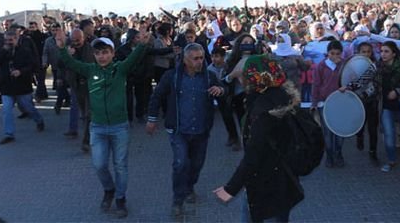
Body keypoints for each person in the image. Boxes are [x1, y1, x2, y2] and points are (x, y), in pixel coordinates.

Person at [56, 30, 150, 218]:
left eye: (106, 52)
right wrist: (62, 49)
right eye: (98, 53)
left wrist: (143, 44)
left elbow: (135, 57)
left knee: (120, 165)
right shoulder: (90, 70)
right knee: (99, 165)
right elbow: (71, 63)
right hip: (97, 127)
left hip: (119, 127)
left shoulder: (121, 69)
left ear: (113, 53)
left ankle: (120, 199)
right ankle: (109, 189)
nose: (102, 56)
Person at [214, 55, 304, 222]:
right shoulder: (281, 94)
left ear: (257, 76)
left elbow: (254, 155)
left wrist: (230, 189)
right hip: (282, 176)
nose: (241, 80)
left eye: (244, 76)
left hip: (268, 181)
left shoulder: (264, 109)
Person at [146, 43, 225, 219]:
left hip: (201, 131)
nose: (200, 62)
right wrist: (151, 119)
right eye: (195, 58)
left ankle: (189, 187)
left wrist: (220, 90)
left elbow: (223, 89)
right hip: (178, 130)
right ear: (185, 60)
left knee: (196, 164)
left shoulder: (209, 76)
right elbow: (157, 96)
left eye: (202, 58)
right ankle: (178, 200)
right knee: (181, 163)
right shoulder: (172, 77)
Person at [310, 40, 344, 167]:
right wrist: (314, 102)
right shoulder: (321, 66)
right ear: (328, 53)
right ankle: (329, 155)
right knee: (328, 131)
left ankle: (338, 152)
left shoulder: (344, 64)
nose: (335, 56)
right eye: (332, 53)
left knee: (340, 130)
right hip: (324, 103)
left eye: (337, 53)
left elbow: (349, 80)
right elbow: (316, 85)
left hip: (340, 102)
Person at [62, 28, 95, 152]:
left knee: (89, 114)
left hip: (90, 85)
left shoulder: (91, 50)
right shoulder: (69, 49)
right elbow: (60, 64)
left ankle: (86, 140)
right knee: (83, 113)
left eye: (78, 40)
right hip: (76, 85)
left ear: (83, 38)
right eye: (73, 40)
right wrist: (67, 55)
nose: (76, 42)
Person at [377, 41, 400, 172]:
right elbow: (364, 79)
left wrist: (397, 91)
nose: (383, 54)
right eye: (381, 51)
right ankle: (391, 160)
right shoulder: (377, 67)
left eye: (386, 51)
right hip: (386, 106)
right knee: (389, 134)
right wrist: (349, 87)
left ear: (394, 53)